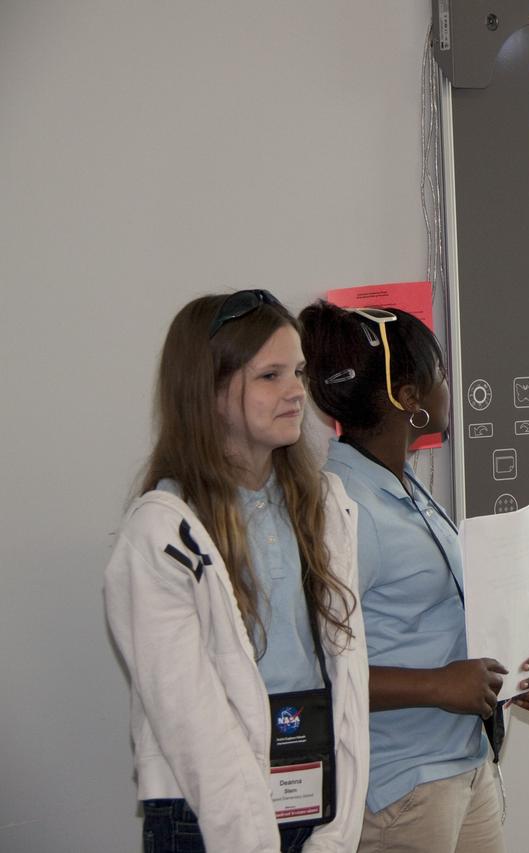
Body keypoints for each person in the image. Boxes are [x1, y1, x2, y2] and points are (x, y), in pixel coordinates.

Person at [104, 291, 370, 853]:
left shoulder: (323, 506)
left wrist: (338, 831)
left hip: (312, 804)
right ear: (209, 391)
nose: (298, 391)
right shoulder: (161, 534)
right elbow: (191, 723)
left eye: (298, 371)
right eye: (270, 375)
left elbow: (348, 678)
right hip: (208, 817)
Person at [298, 300, 529, 853]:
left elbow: (426, 622)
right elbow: (316, 671)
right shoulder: (343, 507)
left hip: (464, 763)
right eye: (439, 375)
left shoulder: (402, 482)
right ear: (407, 398)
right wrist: (439, 686)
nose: (447, 386)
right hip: (404, 787)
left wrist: (502, 672)